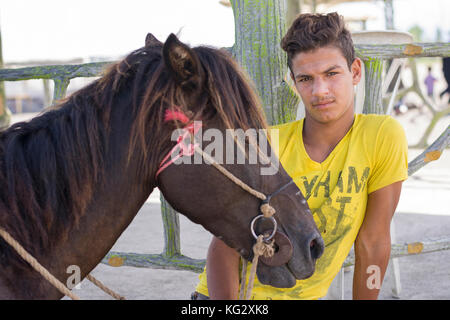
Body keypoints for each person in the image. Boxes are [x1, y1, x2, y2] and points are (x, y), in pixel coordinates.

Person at [192, 12, 408, 300]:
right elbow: (225, 247)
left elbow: (374, 241)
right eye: (306, 78)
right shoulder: (267, 144)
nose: (320, 91)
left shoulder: (382, 136)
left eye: (332, 74)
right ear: (293, 83)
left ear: (355, 72)